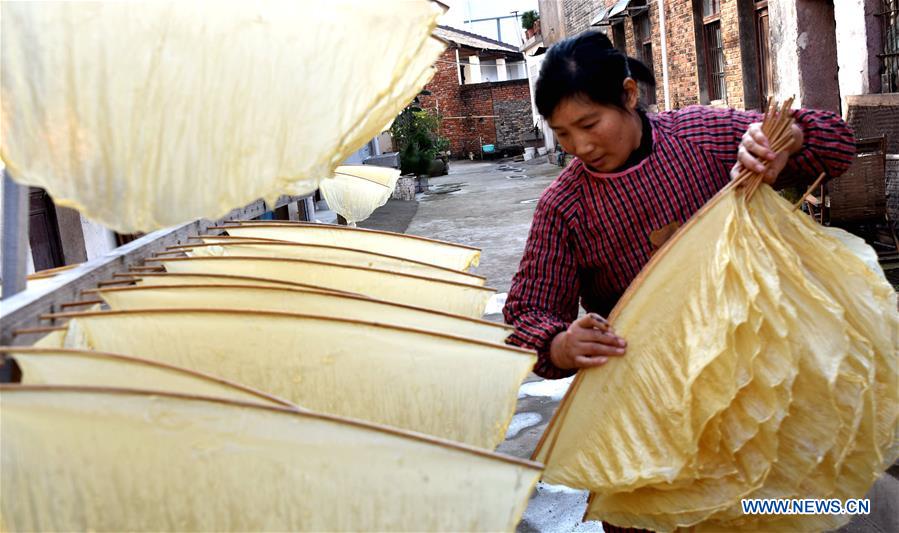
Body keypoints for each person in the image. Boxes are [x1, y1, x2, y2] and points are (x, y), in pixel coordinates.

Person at [503, 31, 855, 380]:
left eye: (589, 124)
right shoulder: (564, 206)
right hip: (652, 382)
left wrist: (788, 138)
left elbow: (838, 144)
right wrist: (561, 345)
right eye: (562, 133)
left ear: (628, 94)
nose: (579, 146)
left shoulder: (702, 136)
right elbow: (529, 310)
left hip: (761, 356)